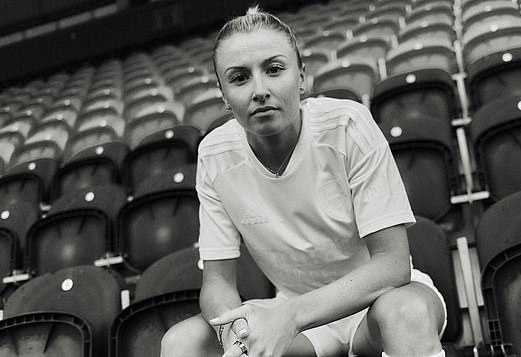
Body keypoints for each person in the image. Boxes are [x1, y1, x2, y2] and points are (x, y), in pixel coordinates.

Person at [160, 5, 447, 357]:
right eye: (239, 78)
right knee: (181, 342)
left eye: (274, 69)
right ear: (223, 95)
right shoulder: (214, 155)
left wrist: (290, 317)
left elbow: (393, 264)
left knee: (407, 314)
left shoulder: (347, 125)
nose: (259, 89)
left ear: (301, 77)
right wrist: (235, 338)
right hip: (299, 323)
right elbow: (218, 282)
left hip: (378, 302)